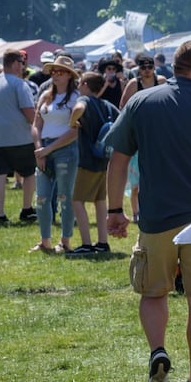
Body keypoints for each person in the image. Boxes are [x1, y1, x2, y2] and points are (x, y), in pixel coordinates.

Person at [105, 40, 191, 382]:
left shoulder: (141, 102)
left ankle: (158, 351)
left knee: (153, 292)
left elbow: (118, 159)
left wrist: (114, 210)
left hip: (156, 217)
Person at [32, 53, 83, 254]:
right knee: (42, 198)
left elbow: (74, 131)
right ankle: (45, 241)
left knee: (65, 197)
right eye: (53, 71)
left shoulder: (75, 99)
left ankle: (65, 241)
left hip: (65, 150)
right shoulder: (46, 95)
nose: (56, 75)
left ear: (70, 75)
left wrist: (47, 149)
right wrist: (39, 149)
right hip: (44, 148)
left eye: (60, 72)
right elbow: (36, 123)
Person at [0, 48, 38, 228]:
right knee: (29, 173)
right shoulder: (19, 84)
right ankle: (27, 209)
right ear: (15, 63)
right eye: (22, 63)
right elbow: (29, 112)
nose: (23, 67)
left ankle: (0, 214)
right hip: (19, 137)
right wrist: (39, 126)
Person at [66, 70, 116, 257]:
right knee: (100, 201)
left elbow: (78, 109)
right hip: (105, 160)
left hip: (87, 160)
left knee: (76, 200)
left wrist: (72, 122)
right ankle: (103, 242)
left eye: (80, 83)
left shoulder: (85, 101)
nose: (78, 86)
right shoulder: (107, 105)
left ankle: (86, 244)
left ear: (86, 85)